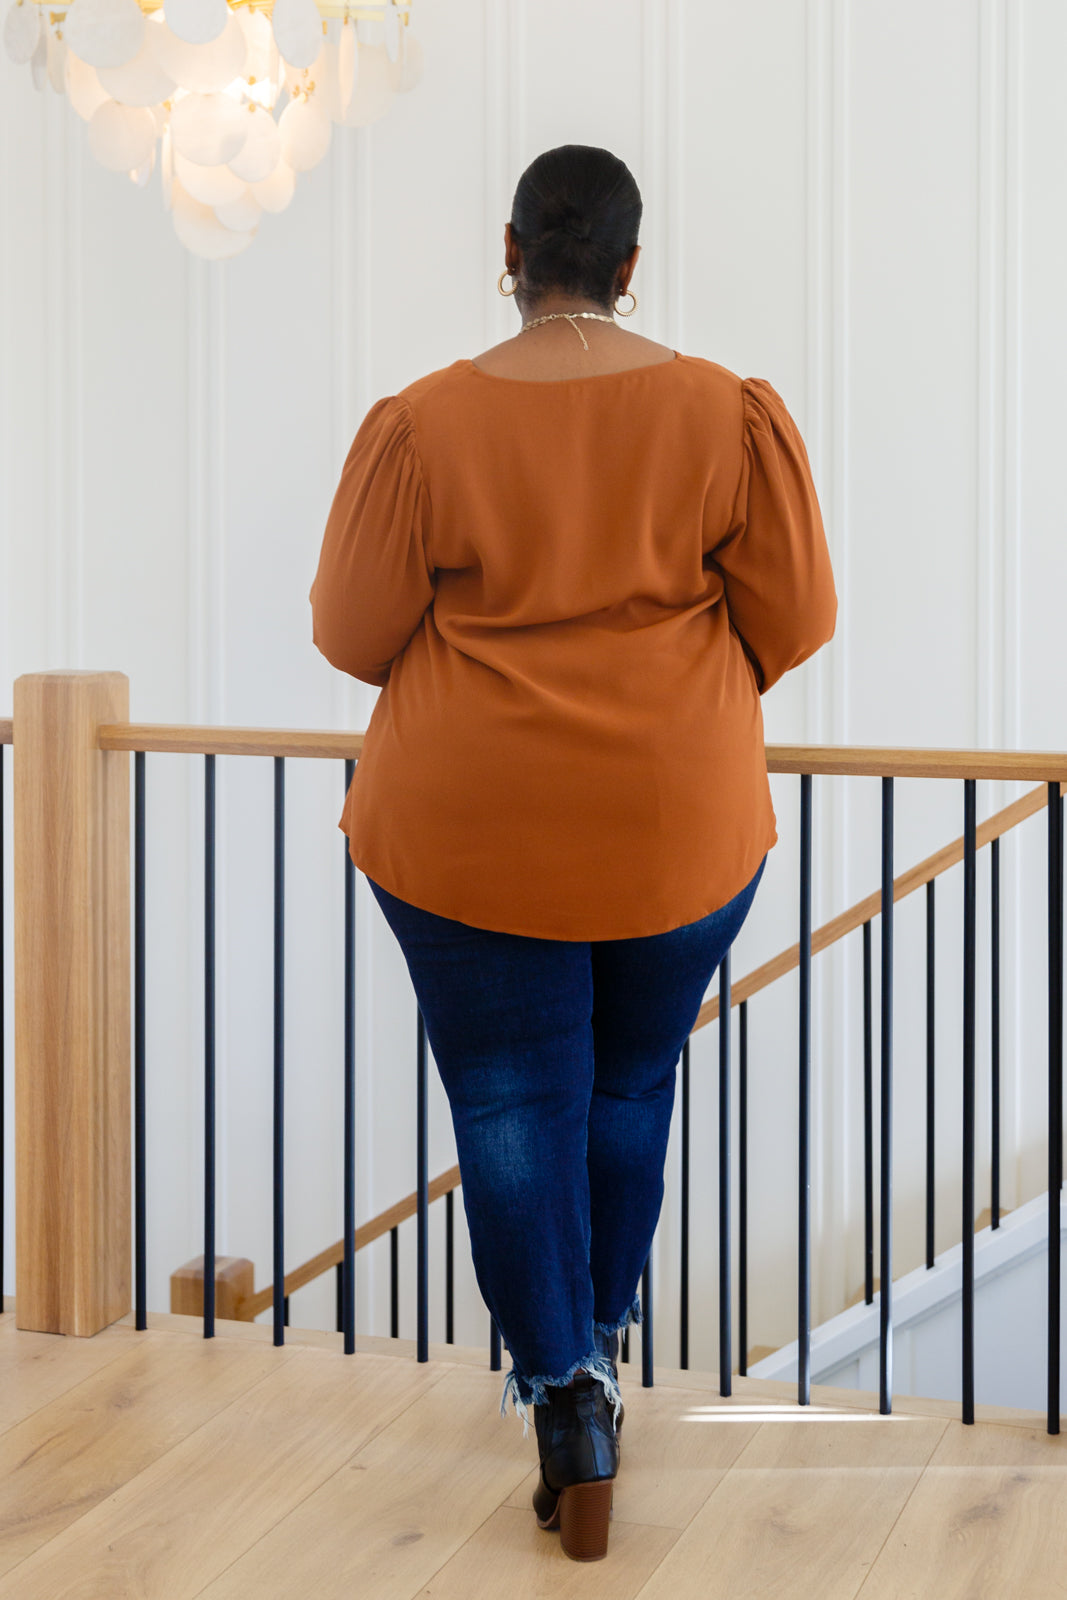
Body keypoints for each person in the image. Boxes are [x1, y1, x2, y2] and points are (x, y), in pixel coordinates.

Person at [310, 143, 836, 1562]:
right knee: (627, 1080)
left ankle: (568, 1398)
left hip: (467, 833)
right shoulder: (728, 417)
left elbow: (354, 635)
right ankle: (596, 1342)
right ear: (629, 264)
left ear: (510, 250)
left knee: (507, 1103)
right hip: (677, 829)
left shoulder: (419, 428)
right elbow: (793, 619)